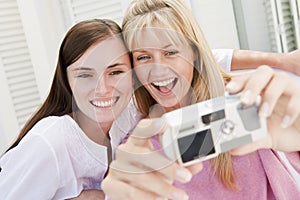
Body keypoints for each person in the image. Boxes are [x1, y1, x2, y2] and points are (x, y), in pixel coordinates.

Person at [101, 0, 300, 199]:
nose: (158, 69)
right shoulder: (140, 149)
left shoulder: (249, 105)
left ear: (194, 54)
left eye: (170, 52)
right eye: (143, 57)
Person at [0, 19, 139, 199]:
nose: (103, 89)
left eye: (115, 72)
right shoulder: (49, 143)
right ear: (67, 81)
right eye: (85, 75)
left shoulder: (131, 119)